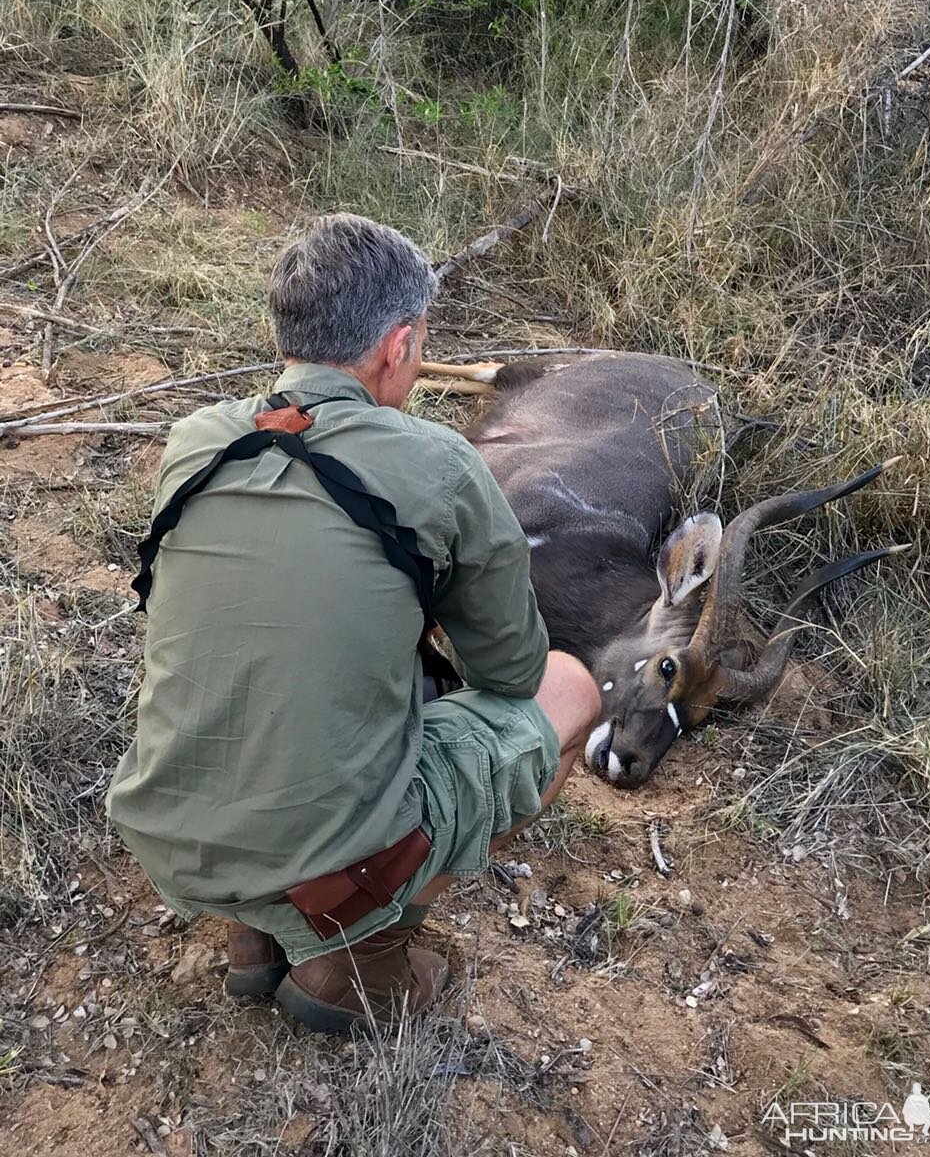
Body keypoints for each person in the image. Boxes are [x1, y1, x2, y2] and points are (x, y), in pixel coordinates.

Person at [107, 213, 600, 1033]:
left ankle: (254, 937)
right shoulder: (439, 462)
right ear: (399, 344)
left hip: (170, 834)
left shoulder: (195, 441)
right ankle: (356, 960)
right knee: (569, 689)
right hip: (322, 854)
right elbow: (511, 675)